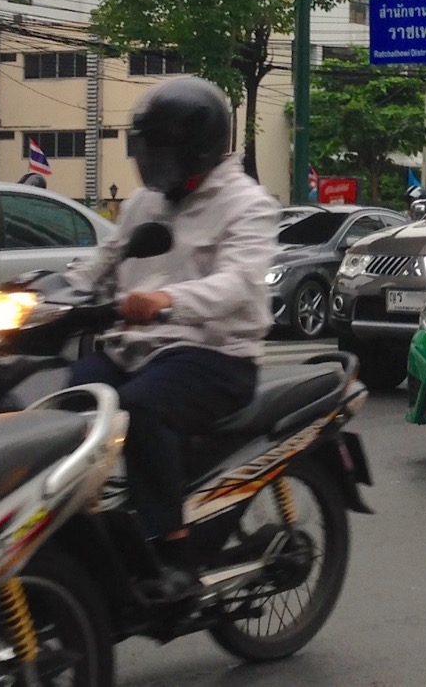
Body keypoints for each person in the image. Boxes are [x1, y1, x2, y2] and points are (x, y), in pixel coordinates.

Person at [65, 75, 279, 599]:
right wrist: (56, 291)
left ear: (197, 148)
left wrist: (167, 300)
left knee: (141, 410)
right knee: (66, 402)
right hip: (137, 350)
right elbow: (106, 257)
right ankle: (78, 530)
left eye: (163, 147)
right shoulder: (144, 202)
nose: (152, 160)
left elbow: (238, 282)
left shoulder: (248, 204)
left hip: (215, 353)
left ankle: (173, 550)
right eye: (149, 147)